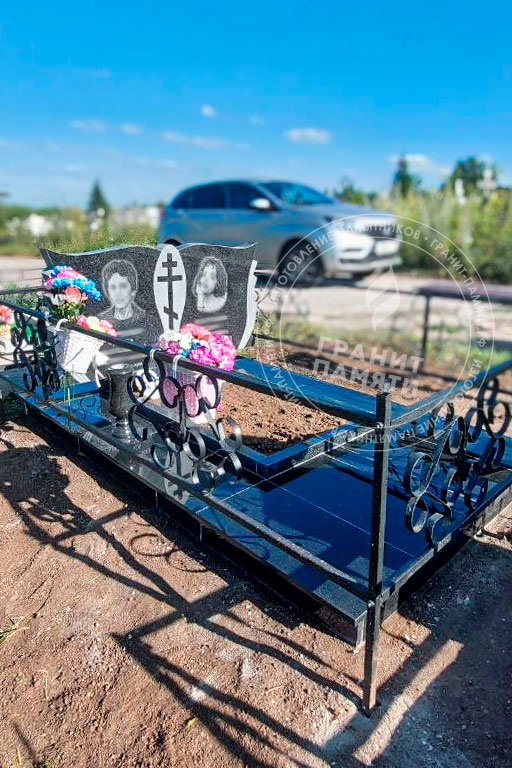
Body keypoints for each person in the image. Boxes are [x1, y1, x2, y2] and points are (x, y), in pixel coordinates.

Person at [100, 259, 146, 330]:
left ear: (133, 290)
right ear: (108, 292)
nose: (118, 293)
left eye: (123, 286)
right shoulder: (100, 321)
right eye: (113, 287)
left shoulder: (145, 319)